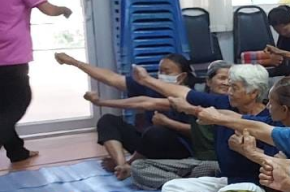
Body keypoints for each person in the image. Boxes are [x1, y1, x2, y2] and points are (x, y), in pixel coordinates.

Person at [133, 63, 277, 192]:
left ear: (253, 93)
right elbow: (184, 93)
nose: (229, 92)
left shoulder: (269, 119)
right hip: (226, 179)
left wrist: (248, 151)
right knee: (171, 188)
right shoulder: (226, 104)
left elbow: (276, 162)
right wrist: (146, 80)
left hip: (254, 185)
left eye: (234, 88)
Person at [56, 52, 196, 178]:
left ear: (182, 76)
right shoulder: (154, 87)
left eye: (167, 72)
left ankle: (130, 163)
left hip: (176, 150)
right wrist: (74, 62)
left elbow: (145, 103)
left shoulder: (188, 95)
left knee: (155, 132)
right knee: (108, 120)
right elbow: (111, 78)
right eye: (160, 71)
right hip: (146, 147)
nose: (161, 75)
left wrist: (102, 102)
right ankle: (121, 166)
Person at [0, 0, 73, 165]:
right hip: (12, 58)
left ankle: (17, 152)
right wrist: (63, 9)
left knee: (2, 108)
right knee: (18, 102)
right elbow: (47, 9)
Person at [124, 62, 232, 190]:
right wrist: (101, 102)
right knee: (138, 166)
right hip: (195, 160)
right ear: (208, 82)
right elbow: (150, 101)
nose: (226, 83)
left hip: (217, 164)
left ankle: (187, 185)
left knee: (205, 169)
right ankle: (184, 184)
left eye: (231, 81)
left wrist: (180, 115)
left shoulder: (233, 104)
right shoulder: (201, 99)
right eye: (222, 78)